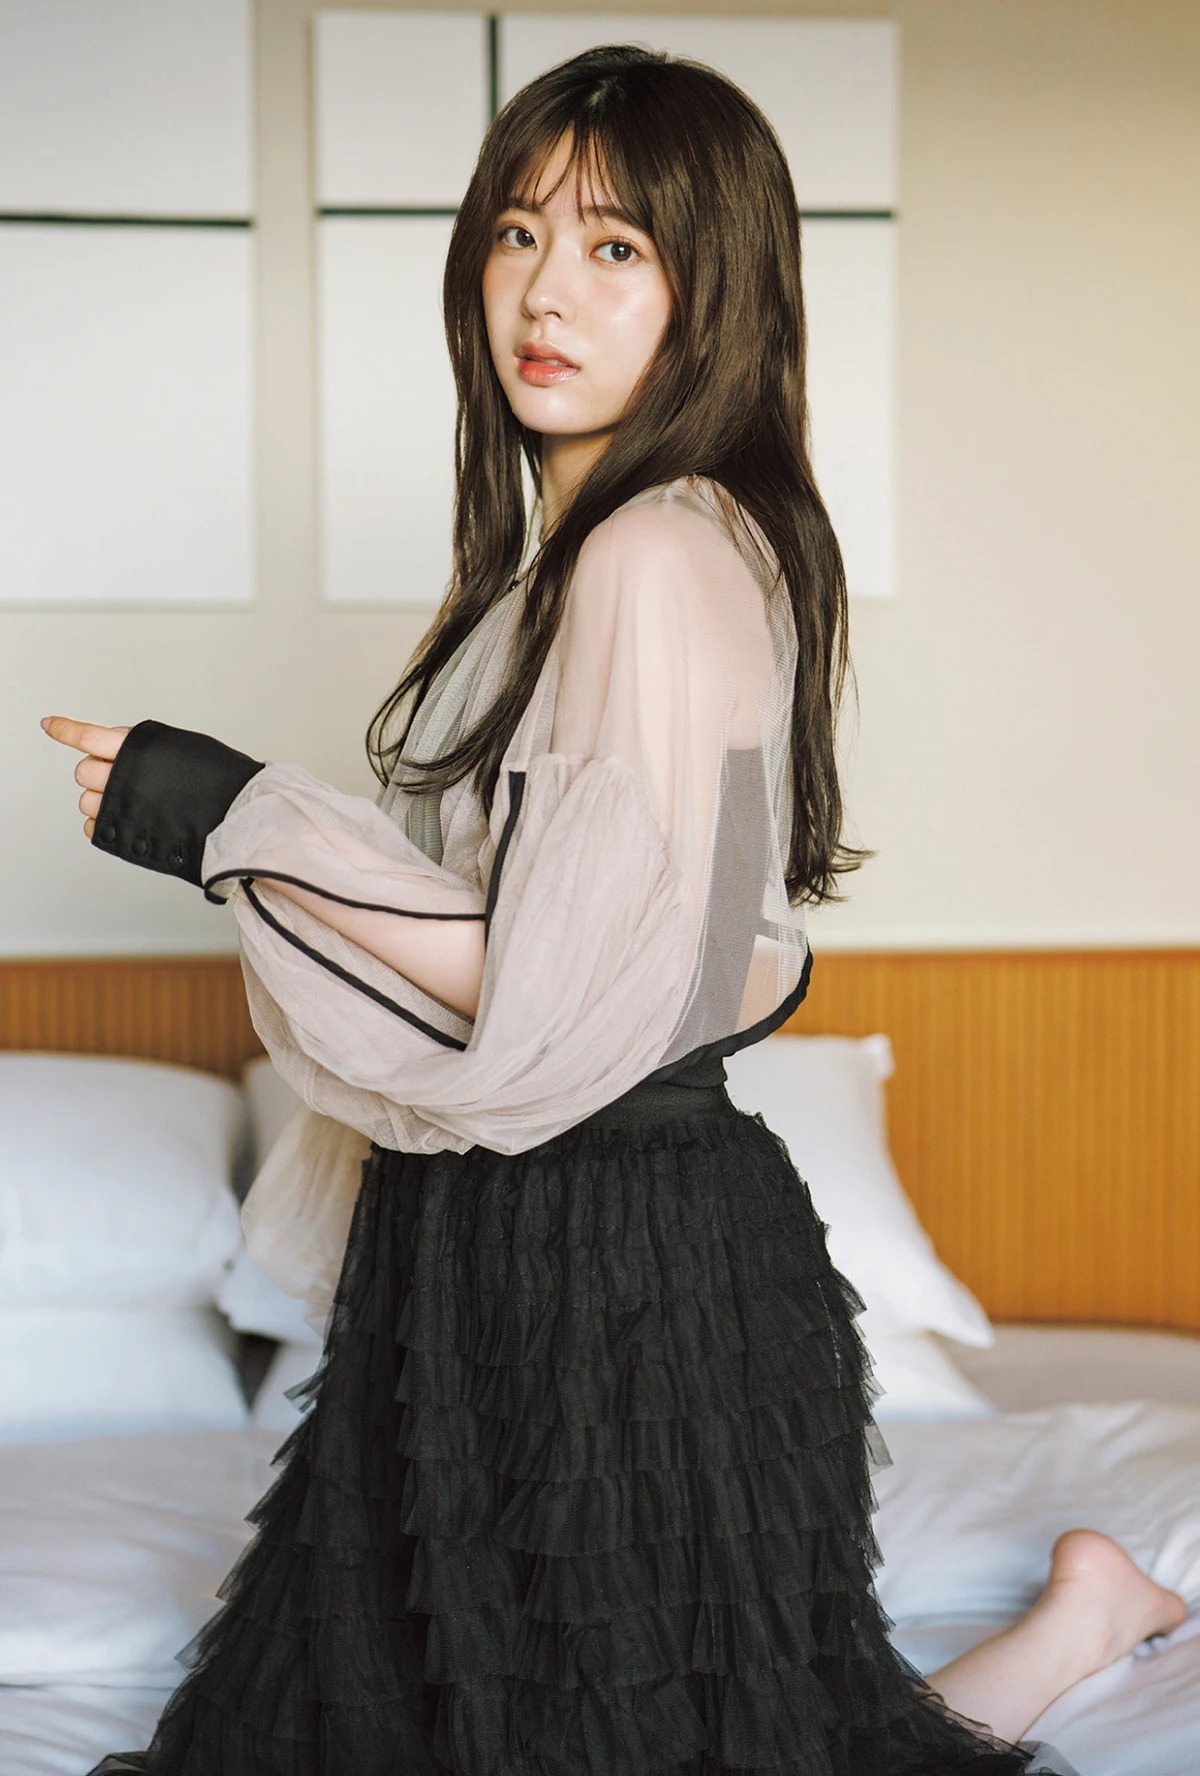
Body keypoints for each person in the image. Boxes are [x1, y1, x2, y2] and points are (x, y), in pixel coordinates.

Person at [44, 43, 1185, 1776]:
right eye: (516, 233)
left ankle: (1086, 1616)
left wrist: (233, 822)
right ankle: (1089, 1614)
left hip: (618, 1265)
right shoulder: (607, 559)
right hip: (503, 1243)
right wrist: (250, 833)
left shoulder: (657, 554)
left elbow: (564, 1001)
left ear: (709, 288)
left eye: (615, 247)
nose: (544, 293)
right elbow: (602, 945)